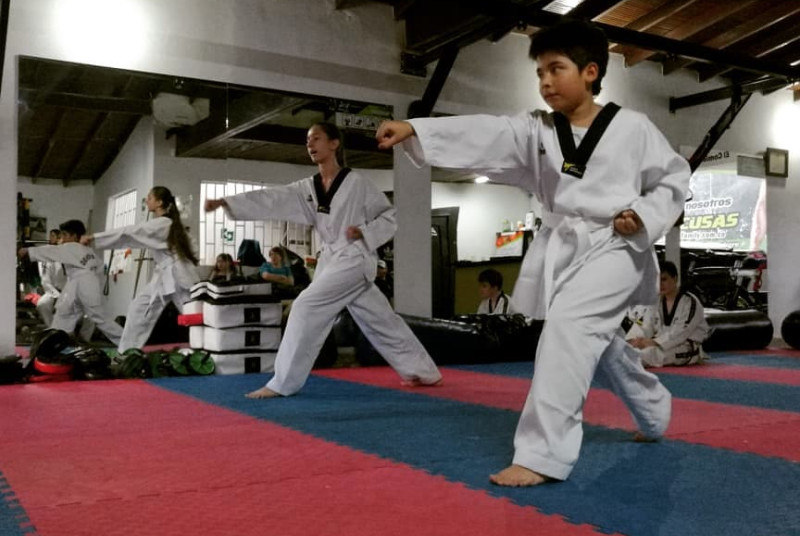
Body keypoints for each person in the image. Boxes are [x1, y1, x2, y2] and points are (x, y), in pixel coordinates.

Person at [376, 19, 690, 487]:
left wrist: (643, 214)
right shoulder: (536, 129)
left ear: (590, 71)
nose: (545, 81)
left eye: (556, 69)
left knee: (569, 329)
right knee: (598, 340)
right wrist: (415, 129)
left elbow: (673, 179)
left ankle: (543, 454)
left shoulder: (634, 128)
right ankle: (653, 407)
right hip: (563, 246)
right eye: (540, 72)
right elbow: (487, 133)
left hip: (617, 245)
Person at [204, 122, 442, 398]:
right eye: (307, 140)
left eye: (316, 138)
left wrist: (365, 232)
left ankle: (282, 383)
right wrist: (227, 202)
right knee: (380, 319)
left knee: (305, 306)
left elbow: (388, 217)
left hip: (354, 257)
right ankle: (423, 371)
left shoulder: (358, 184)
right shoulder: (308, 187)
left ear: (334, 143)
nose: (310, 144)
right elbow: (272, 198)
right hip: (331, 259)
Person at [81, 186, 200, 352]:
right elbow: (193, 249)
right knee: (138, 309)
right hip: (164, 277)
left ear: (159, 202)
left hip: (178, 278)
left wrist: (95, 237)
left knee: (193, 315)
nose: (146, 201)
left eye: (150, 198)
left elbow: (130, 232)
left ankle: (212, 348)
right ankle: (127, 351)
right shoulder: (170, 224)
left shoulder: (162, 224)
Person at [18, 220, 123, 345]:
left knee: (97, 317)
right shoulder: (89, 252)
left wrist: (28, 251)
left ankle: (127, 342)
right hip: (83, 283)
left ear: (74, 236)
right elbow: (100, 270)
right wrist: (95, 287)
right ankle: (56, 342)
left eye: (65, 235)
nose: (62, 238)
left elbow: (51, 251)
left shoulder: (71, 247)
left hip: (81, 282)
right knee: (64, 313)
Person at [628, 261, 709, 367]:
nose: (660, 284)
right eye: (656, 280)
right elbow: (646, 325)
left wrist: (654, 342)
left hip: (685, 347)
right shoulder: (655, 301)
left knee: (649, 354)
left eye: (664, 279)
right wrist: (635, 340)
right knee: (630, 349)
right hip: (658, 343)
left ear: (675, 279)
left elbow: (681, 332)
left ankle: (624, 363)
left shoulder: (690, 302)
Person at [35, 229, 66, 327]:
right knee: (42, 304)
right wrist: (57, 296)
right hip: (54, 292)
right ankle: (53, 328)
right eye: (60, 239)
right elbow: (45, 281)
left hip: (69, 293)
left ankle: (82, 335)